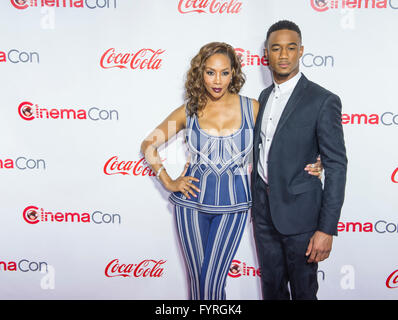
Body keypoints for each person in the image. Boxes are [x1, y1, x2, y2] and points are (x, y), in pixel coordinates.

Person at [141, 42, 321, 300]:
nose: (217, 80)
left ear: (234, 73)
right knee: (200, 285)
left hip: (234, 206)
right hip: (189, 207)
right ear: (200, 72)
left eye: (225, 72)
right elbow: (149, 144)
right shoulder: (188, 111)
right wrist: (168, 181)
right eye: (210, 72)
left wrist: (319, 158)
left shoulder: (253, 108)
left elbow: (284, 140)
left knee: (211, 282)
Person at [251, 20, 348, 300]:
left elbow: (337, 166)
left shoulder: (322, 100)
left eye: (290, 48)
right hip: (265, 216)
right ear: (266, 54)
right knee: (272, 291)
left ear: (301, 50)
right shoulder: (264, 96)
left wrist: (326, 229)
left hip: (302, 218)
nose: (283, 55)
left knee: (304, 294)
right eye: (276, 48)